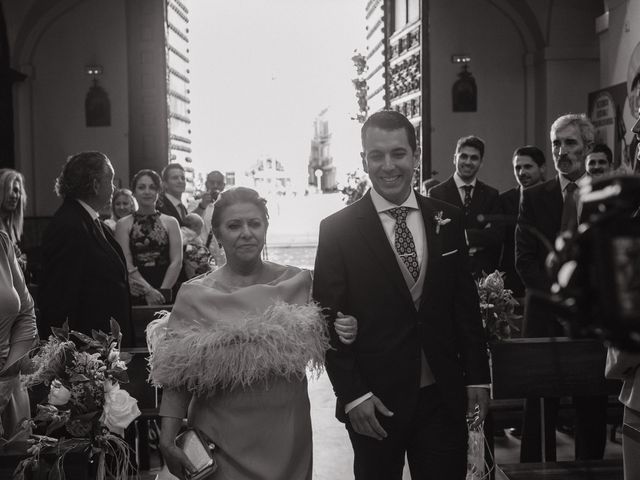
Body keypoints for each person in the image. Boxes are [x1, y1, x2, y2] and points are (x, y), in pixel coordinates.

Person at [313, 111, 490, 480]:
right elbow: (325, 320)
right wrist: (354, 396)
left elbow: (464, 305)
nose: (388, 165)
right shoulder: (338, 230)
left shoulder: (448, 218)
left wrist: (477, 377)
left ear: (415, 154)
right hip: (375, 402)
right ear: (363, 160)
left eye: (398, 153)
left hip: (442, 395)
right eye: (376, 155)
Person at [147, 187, 357, 480]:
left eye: (254, 223)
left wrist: (347, 326)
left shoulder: (299, 282)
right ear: (217, 234)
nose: (246, 233)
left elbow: (336, 326)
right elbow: (175, 377)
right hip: (219, 440)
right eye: (234, 225)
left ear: (265, 228)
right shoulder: (194, 295)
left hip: (287, 436)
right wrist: (167, 439)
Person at [515, 114, 607, 462]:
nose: (561, 151)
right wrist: (558, 300)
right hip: (543, 318)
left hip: (590, 320)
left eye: (570, 143)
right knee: (538, 412)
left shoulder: (604, 193)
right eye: (556, 143)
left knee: (591, 411)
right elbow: (524, 260)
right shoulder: (535, 196)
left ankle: (591, 470)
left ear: (586, 146)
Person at [39, 151, 133, 345]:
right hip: (87, 352)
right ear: (96, 184)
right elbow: (59, 301)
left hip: (104, 346)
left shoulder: (90, 221)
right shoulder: (69, 226)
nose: (114, 188)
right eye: (111, 180)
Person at [428, 135, 503, 278]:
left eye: (474, 158)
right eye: (463, 156)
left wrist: (464, 235)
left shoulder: (491, 195)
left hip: (483, 275)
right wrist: (479, 236)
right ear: (454, 158)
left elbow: (497, 235)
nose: (468, 162)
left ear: (481, 162)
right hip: (447, 273)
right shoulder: (436, 194)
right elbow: (435, 235)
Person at [115, 169, 182, 306]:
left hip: (166, 286)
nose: (147, 191)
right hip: (137, 288)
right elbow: (126, 262)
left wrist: (162, 292)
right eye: (141, 187)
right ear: (133, 192)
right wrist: (148, 291)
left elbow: (177, 261)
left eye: (152, 187)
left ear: (159, 191)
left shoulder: (171, 222)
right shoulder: (123, 224)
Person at [0, 230, 37, 439]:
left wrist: (11, 367)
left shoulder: (2, 241)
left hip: (10, 384)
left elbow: (26, 312)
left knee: (16, 466)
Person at [499, 146, 546, 299]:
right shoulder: (505, 200)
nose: (522, 172)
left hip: (545, 277)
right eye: (517, 167)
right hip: (512, 281)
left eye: (528, 167)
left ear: (542, 168)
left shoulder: (553, 197)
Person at [192, 170, 226, 266]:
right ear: (206, 184)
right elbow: (189, 225)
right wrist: (202, 205)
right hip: (202, 257)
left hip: (224, 257)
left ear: (223, 186)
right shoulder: (195, 203)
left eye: (219, 183)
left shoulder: (229, 206)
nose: (215, 186)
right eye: (212, 182)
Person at [180, 213, 211, 279]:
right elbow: (180, 244)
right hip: (189, 260)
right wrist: (190, 247)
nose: (200, 232)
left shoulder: (195, 236)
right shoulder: (183, 232)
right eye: (200, 229)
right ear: (195, 227)